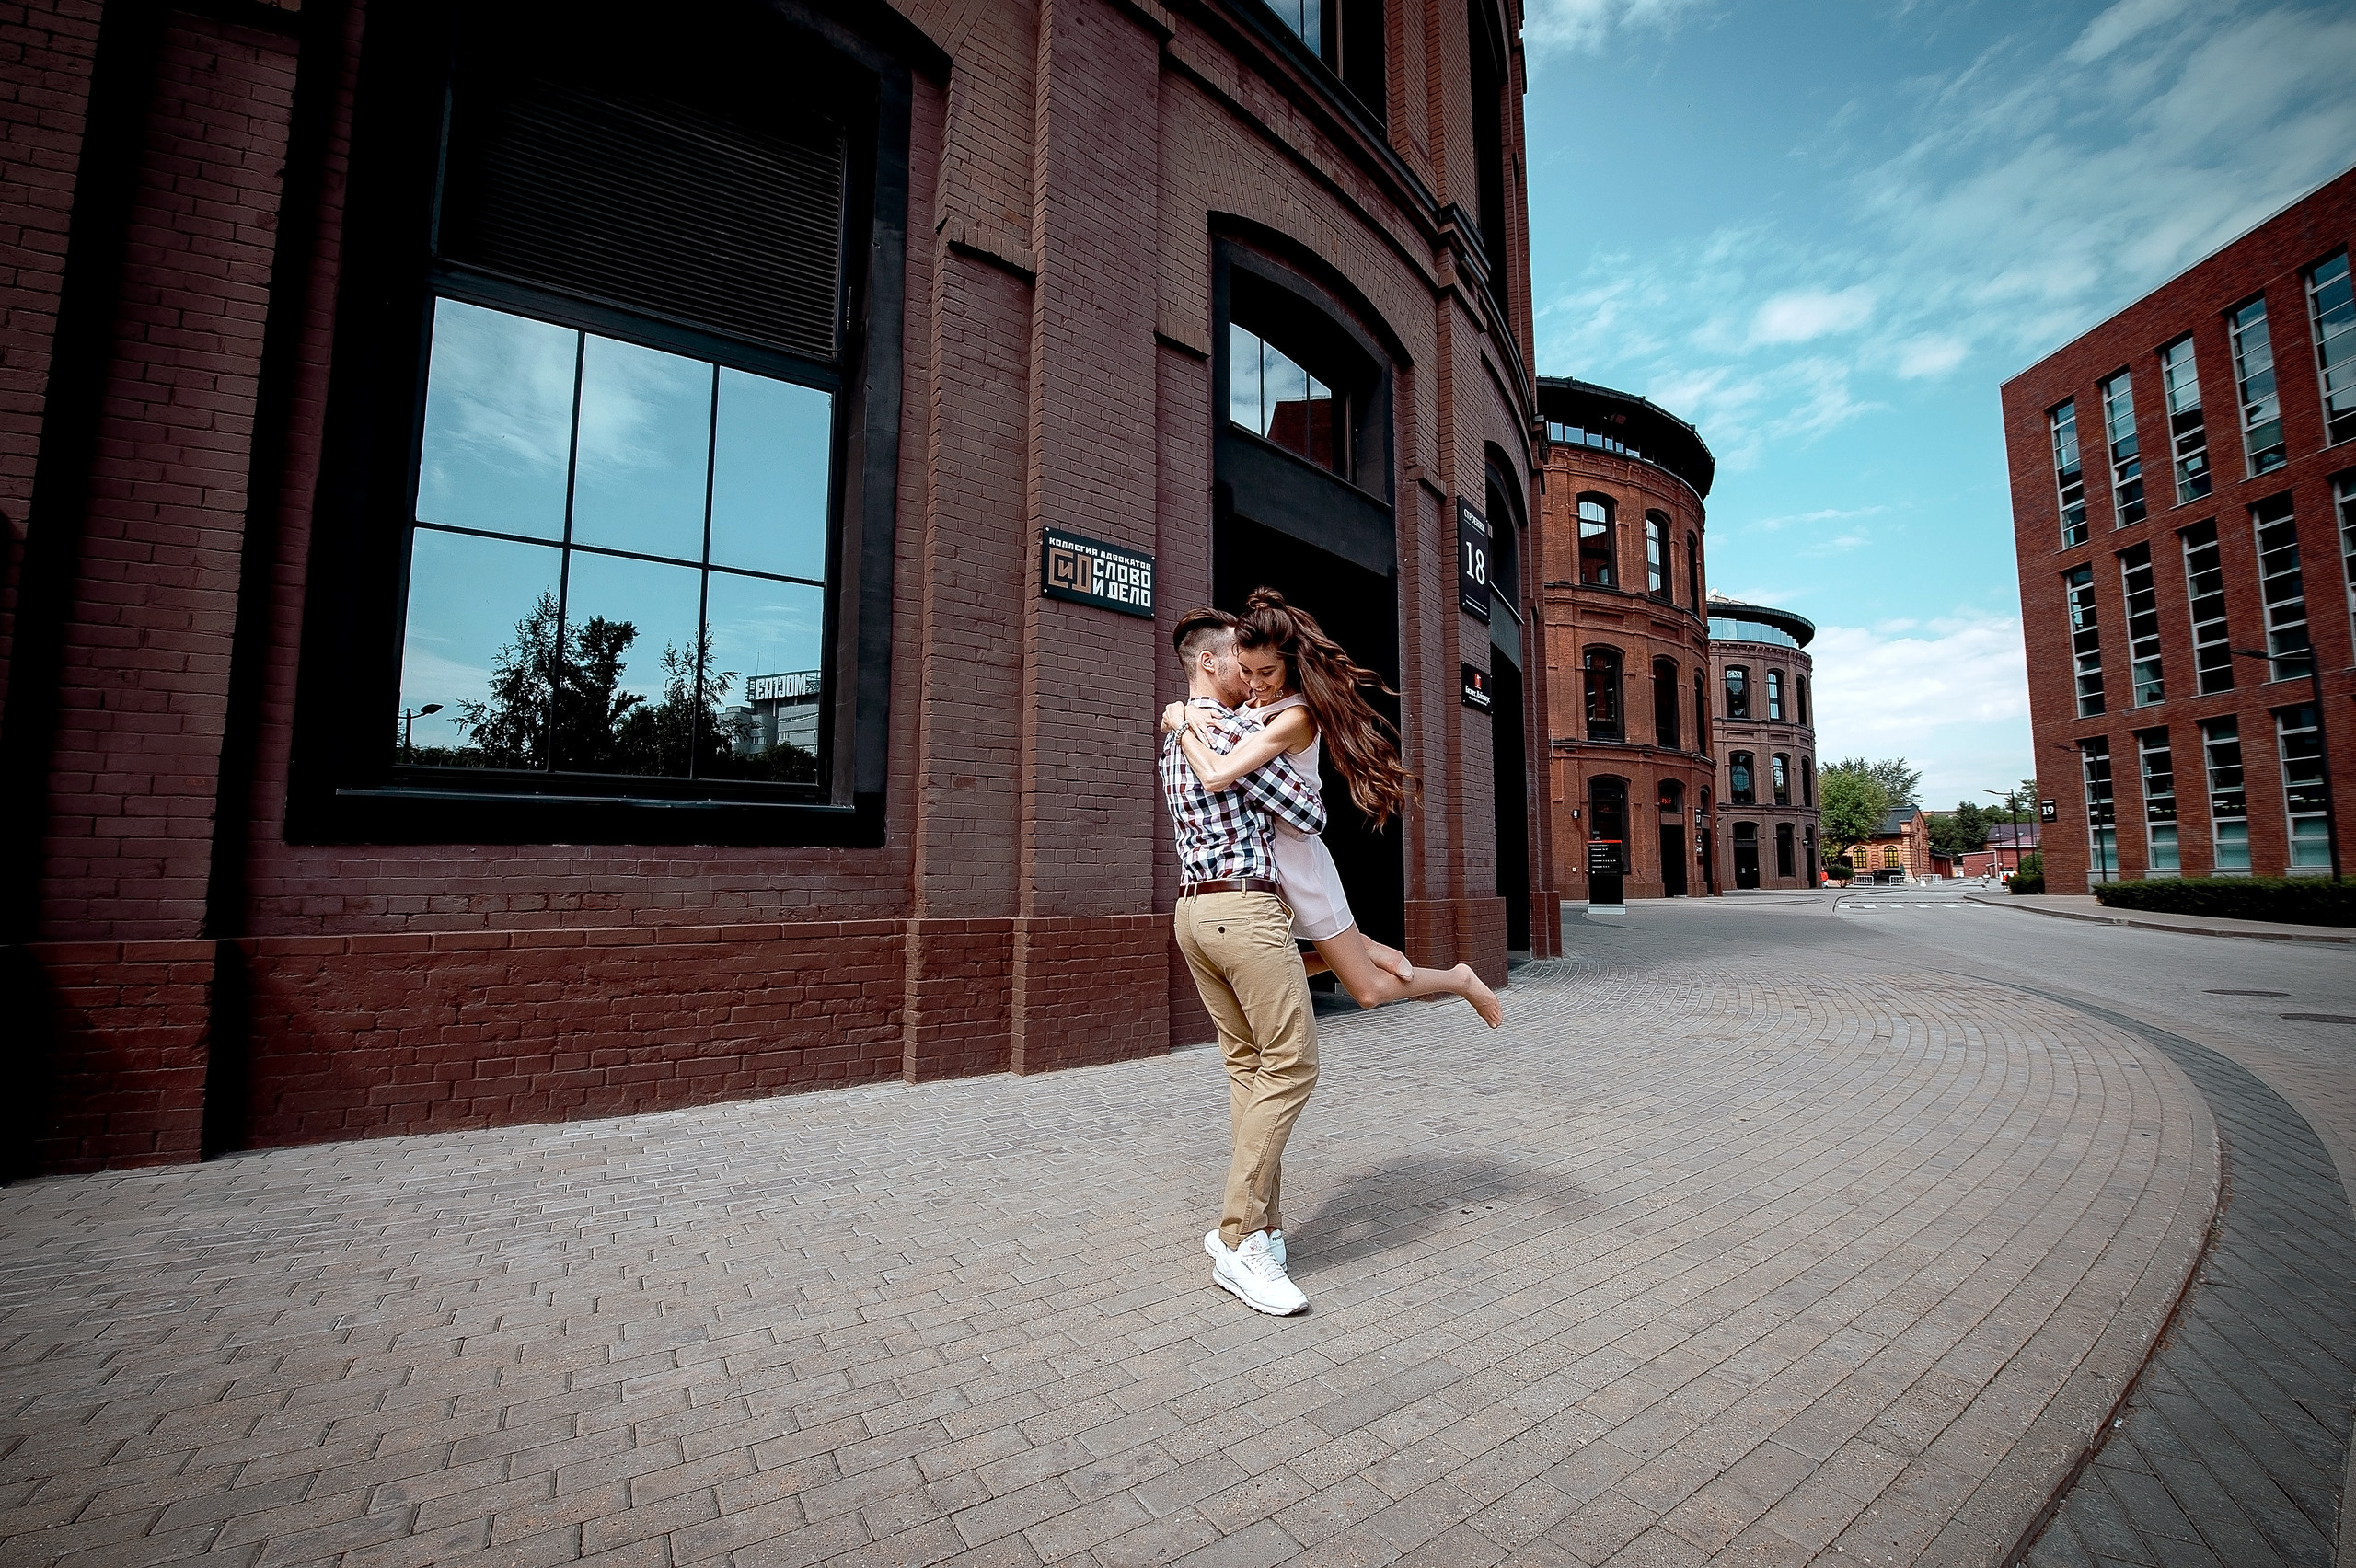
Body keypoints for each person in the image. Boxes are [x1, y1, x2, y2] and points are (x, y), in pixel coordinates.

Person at [1163, 589, 1502, 1028]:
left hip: (1299, 862)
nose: (1254, 683)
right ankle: (1355, 947)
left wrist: (1181, 723)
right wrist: (1185, 710)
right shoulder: (1250, 706)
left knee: (1368, 990)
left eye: (1266, 672)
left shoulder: (1295, 715)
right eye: (1246, 671)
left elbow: (1218, 774)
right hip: (1260, 859)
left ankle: (1458, 979)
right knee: (1258, 966)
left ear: (1288, 665)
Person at [1161, 606, 1327, 1317]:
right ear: (1208, 662)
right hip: (1244, 910)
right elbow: (1309, 812)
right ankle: (1237, 1238)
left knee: (1250, 1069)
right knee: (1293, 1064)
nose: (1252, 676)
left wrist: (1180, 721)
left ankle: (1264, 1228)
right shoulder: (1230, 731)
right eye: (1239, 658)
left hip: (1193, 915)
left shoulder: (1175, 738)